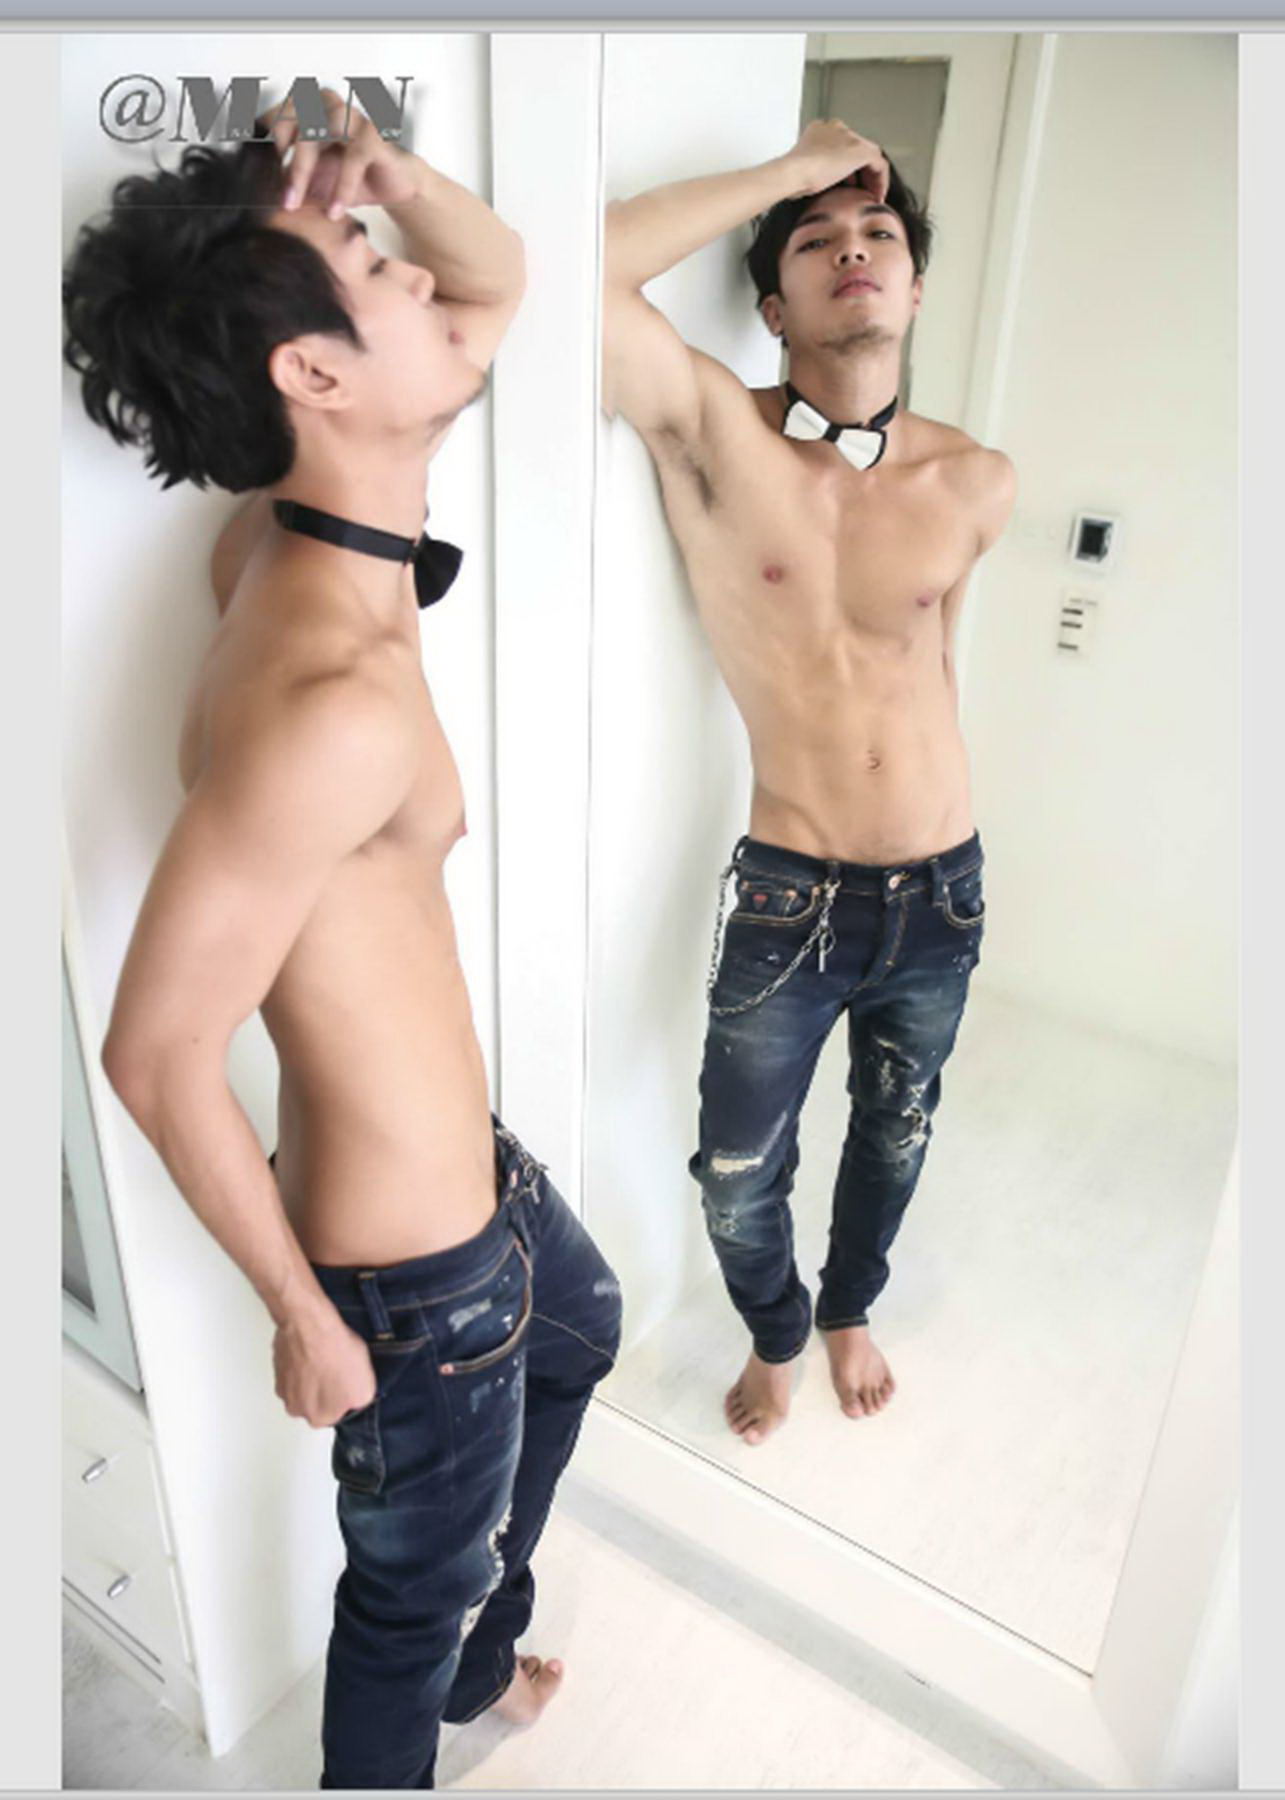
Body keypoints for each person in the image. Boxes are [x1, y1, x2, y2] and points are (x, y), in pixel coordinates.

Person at [64, 92, 621, 1789]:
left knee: (584, 1328)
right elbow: (155, 1054)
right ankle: (436, 1682)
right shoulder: (328, 696)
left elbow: (501, 278)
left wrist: (383, 173)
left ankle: (474, 1657)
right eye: (376, 265)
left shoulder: (305, 534)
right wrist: (305, 1317)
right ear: (313, 374)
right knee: (401, 1604)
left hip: (473, 1186)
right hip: (411, 1278)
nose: (423, 278)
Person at [602, 117, 1015, 1447]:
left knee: (896, 1132)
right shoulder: (717, 438)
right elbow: (584, 272)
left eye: (878, 234)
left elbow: (930, 670)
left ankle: (849, 1309)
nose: (854, 251)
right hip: (793, 894)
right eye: (818, 241)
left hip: (942, 889)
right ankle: (776, 1328)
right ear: (773, 309)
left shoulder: (977, 481)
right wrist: (794, 171)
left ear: (915, 288)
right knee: (735, 1171)